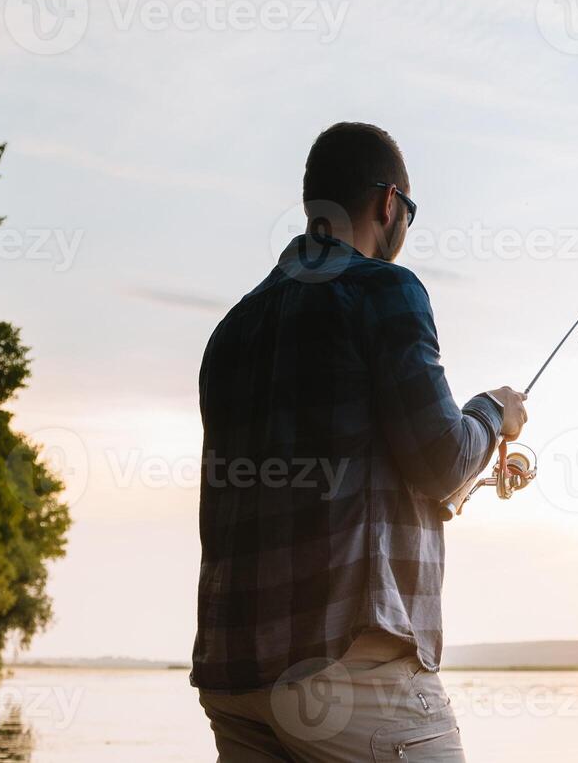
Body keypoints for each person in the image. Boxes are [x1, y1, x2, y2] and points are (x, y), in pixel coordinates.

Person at [191, 122, 526, 761]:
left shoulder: (232, 330)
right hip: (347, 672)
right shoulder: (383, 288)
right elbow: (440, 460)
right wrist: (493, 414)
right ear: (389, 203)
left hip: (235, 676)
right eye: (409, 211)